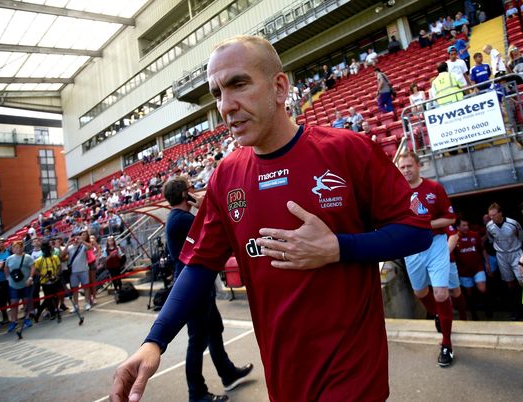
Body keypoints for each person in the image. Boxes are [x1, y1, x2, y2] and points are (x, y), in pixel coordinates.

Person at [110, 35, 432, 402]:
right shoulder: (225, 177)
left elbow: (416, 230)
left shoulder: (347, 150)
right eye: (217, 93)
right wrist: (155, 340)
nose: (225, 106)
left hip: (353, 374)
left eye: (238, 84)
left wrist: (337, 248)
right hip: (284, 378)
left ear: (279, 87)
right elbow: (198, 266)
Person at [163, 176, 253, 402]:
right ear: (185, 194)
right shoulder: (182, 219)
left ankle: (228, 373)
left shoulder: (179, 217)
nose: (194, 189)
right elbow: (217, 225)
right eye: (190, 188)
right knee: (198, 340)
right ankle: (197, 393)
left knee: (214, 330)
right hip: (193, 288)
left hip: (199, 286)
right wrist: (205, 206)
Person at [396, 152, 457, 367]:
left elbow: (450, 218)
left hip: (436, 244)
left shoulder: (434, 188)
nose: (405, 170)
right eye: (402, 167)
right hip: (411, 248)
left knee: (441, 293)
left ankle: (446, 344)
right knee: (420, 292)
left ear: (419, 166)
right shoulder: (397, 191)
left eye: (409, 166)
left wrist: (425, 225)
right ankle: (439, 315)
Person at [485, 203, 523, 320]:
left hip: (516, 252)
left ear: (500, 213)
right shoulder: (489, 226)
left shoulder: (512, 223)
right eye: (490, 216)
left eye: (494, 215)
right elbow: (491, 239)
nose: (492, 217)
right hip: (502, 255)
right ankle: (515, 309)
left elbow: (521, 236)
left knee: (521, 281)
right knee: (509, 282)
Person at [454, 217, 488, 320]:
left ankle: (487, 307)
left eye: (467, 225)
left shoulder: (474, 235)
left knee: (482, 288)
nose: (466, 227)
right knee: (468, 293)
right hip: (464, 271)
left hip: (478, 267)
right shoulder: (454, 238)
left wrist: (487, 264)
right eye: (463, 225)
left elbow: (482, 250)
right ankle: (473, 313)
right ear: (458, 227)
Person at [4, 241, 36, 333]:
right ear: (13, 249)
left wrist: (30, 278)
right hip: (13, 285)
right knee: (14, 303)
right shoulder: (9, 259)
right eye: (16, 247)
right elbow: (6, 269)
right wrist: (8, 278)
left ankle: (27, 318)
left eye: (19, 247)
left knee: (26, 302)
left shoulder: (28, 257)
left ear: (22, 248)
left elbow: (33, 267)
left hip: (25, 283)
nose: (18, 249)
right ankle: (14, 321)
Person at [34, 242, 63, 323]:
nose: (45, 251)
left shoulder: (55, 257)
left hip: (55, 280)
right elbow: (35, 270)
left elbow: (59, 266)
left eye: (47, 249)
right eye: (44, 250)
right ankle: (50, 312)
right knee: (48, 298)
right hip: (45, 281)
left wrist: (57, 274)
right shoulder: (39, 260)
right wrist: (43, 275)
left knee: (55, 297)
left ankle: (54, 310)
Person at [67, 231, 93, 312]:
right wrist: (68, 243)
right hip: (73, 272)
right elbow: (62, 255)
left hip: (84, 270)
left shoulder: (83, 246)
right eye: (74, 237)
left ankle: (87, 303)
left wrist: (82, 241)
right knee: (75, 289)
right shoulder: (69, 247)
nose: (75, 239)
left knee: (86, 287)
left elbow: (90, 248)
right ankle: (76, 305)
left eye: (77, 237)